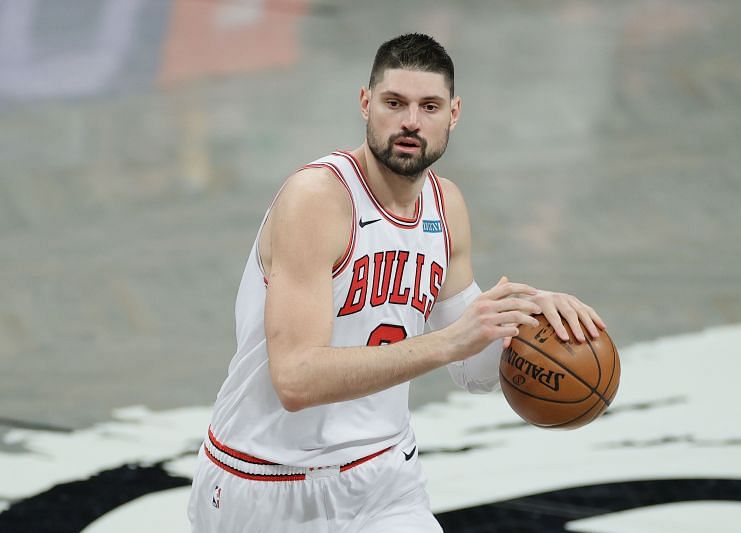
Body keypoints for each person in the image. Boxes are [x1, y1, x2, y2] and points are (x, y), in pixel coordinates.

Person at [188, 33, 605, 533]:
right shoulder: (318, 199)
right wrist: (444, 343)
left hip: (385, 478)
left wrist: (530, 320)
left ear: (454, 114)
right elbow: (296, 380)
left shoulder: (444, 205)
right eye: (394, 103)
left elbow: (473, 371)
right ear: (366, 104)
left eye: (429, 106)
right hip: (266, 480)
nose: (411, 121)